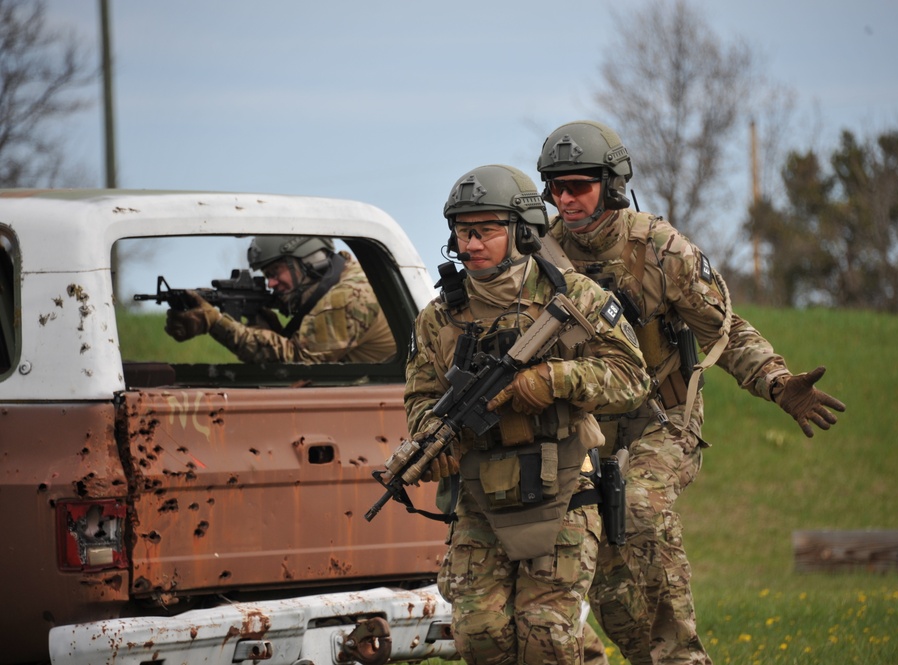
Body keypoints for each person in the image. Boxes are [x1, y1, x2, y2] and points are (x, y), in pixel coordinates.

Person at [536, 120, 847, 665]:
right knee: (597, 557)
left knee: (638, 507)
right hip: (584, 427)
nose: (565, 199)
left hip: (661, 418)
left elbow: (725, 331)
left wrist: (777, 382)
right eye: (556, 187)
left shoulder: (661, 250)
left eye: (578, 186)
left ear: (612, 184)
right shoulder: (540, 255)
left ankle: (681, 656)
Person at [404, 164, 650, 664]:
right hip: (482, 496)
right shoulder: (437, 318)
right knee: (480, 637)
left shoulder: (575, 297)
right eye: (462, 232)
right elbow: (421, 398)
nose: (471, 244)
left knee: (546, 638)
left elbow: (631, 378)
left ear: (522, 231)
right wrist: (432, 439)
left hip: (565, 486)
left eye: (485, 230)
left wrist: (553, 380)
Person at [165, 235, 395, 363]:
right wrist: (270, 329)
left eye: (275, 272)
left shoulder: (349, 297)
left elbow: (296, 361)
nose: (271, 284)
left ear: (309, 262)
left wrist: (216, 323)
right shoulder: (345, 280)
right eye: (267, 276)